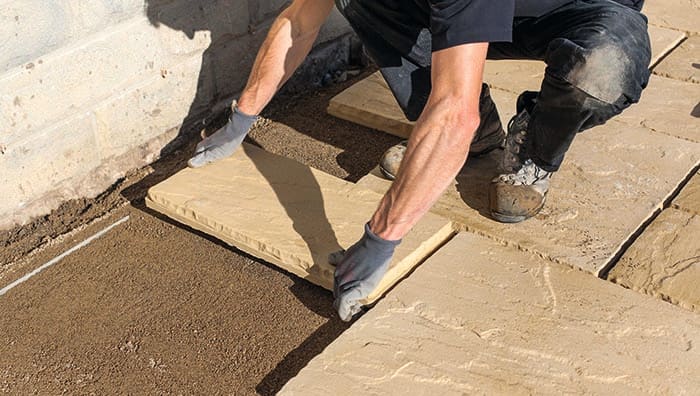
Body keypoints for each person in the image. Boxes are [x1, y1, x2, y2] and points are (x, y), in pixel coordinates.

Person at [187, 0, 651, 321]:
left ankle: (536, 149)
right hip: (483, 10)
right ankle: (480, 142)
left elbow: (453, 113)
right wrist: (242, 116)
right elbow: (300, 21)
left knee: (601, 70)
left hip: (582, 14)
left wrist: (380, 239)